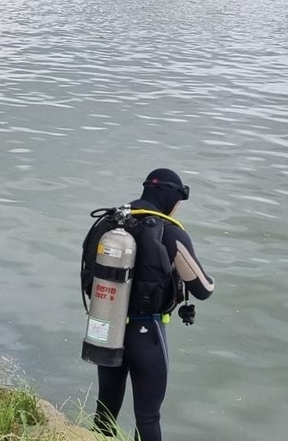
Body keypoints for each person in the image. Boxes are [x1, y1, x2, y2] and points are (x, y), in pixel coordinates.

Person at [91, 168, 216, 441]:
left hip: (108, 326)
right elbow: (202, 289)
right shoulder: (167, 232)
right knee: (148, 417)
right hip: (145, 333)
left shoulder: (114, 222)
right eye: (178, 204)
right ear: (171, 198)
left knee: (105, 409)